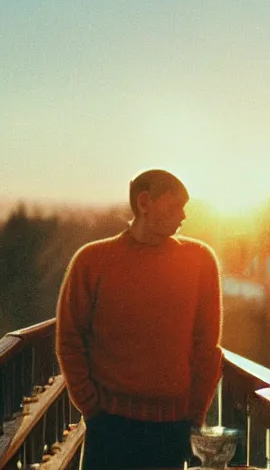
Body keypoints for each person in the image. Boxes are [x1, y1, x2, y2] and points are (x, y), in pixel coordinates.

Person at [55, 169, 222, 469]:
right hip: (108, 428)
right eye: (175, 206)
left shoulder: (200, 261)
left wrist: (194, 418)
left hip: (172, 429)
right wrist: (92, 408)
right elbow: (70, 339)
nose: (183, 215)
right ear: (145, 203)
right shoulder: (92, 260)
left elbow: (207, 348)